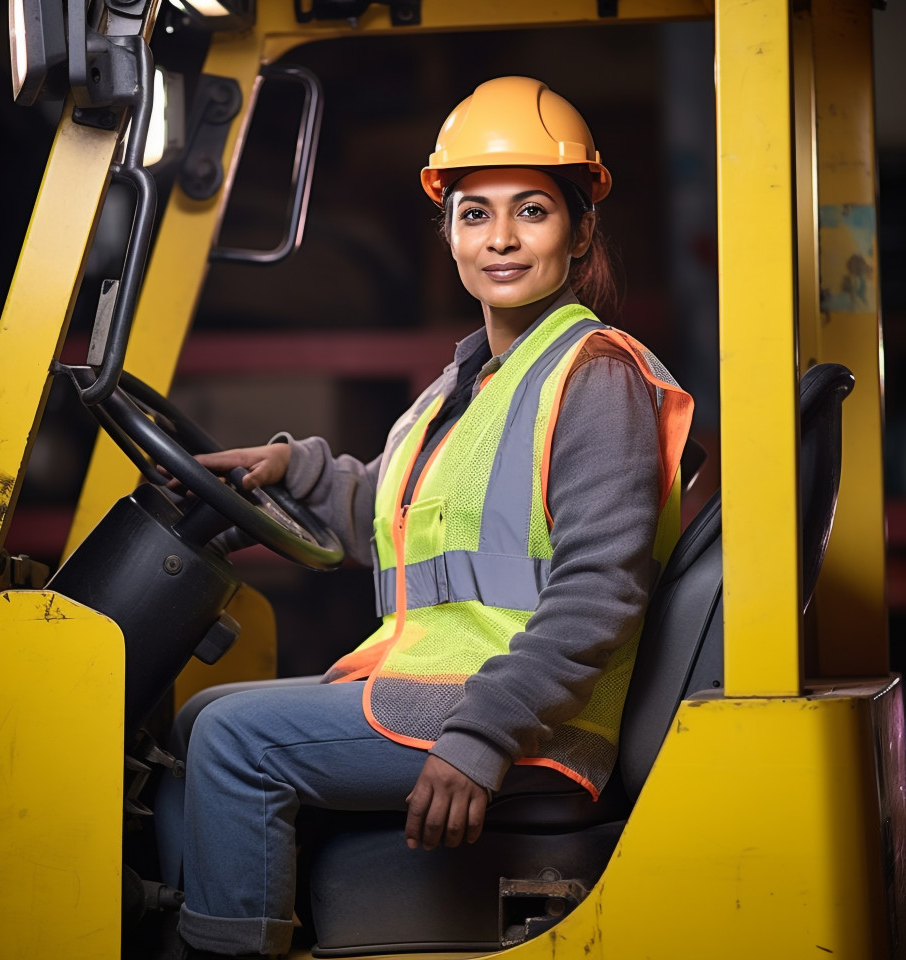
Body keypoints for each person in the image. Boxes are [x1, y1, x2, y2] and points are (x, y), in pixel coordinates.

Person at [169, 76, 693, 959]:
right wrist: (289, 469)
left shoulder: (595, 376)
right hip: (445, 692)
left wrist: (480, 736)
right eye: (475, 214)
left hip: (518, 714)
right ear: (447, 230)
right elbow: (388, 508)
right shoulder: (470, 384)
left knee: (231, 742)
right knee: (196, 717)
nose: (501, 239)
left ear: (580, 230)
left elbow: (599, 593)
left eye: (532, 211)